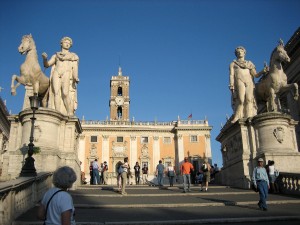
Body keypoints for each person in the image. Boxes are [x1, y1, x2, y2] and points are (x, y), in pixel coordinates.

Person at [42, 37, 79, 116]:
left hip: (66, 73)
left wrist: (76, 77)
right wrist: (45, 59)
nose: (67, 44)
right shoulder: (56, 55)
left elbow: (75, 68)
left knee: (65, 93)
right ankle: (57, 113)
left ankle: (69, 112)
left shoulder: (73, 56)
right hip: (56, 73)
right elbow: (47, 65)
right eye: (65, 42)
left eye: (69, 43)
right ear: (61, 44)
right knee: (56, 92)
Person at [229, 46, 267, 123]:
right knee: (241, 100)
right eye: (238, 52)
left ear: (244, 53)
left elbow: (255, 75)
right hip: (239, 81)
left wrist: (263, 71)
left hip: (249, 81)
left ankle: (250, 117)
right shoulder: (233, 64)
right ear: (236, 54)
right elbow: (231, 75)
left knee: (249, 99)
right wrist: (231, 84)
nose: (240, 53)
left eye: (241, 51)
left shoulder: (249, 63)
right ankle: (237, 116)